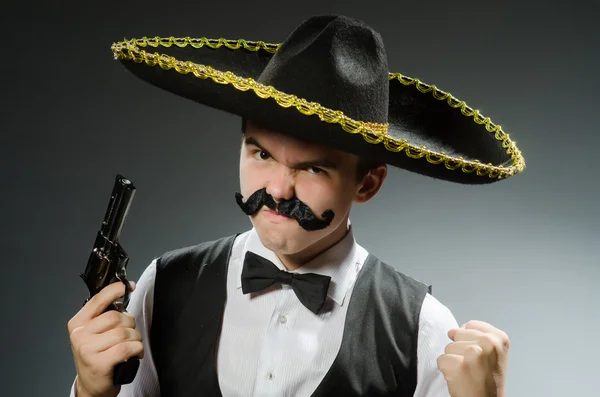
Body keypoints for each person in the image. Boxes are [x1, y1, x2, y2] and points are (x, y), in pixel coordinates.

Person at [67, 14, 524, 397]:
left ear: (367, 184)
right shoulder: (163, 287)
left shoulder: (423, 329)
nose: (279, 190)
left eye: (313, 169)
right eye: (261, 154)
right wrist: (90, 391)